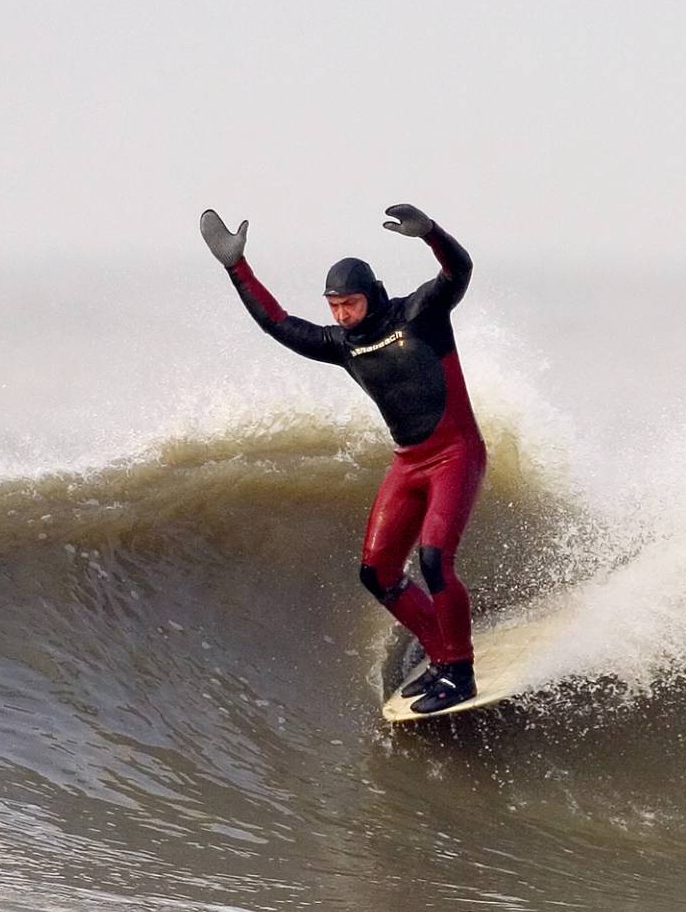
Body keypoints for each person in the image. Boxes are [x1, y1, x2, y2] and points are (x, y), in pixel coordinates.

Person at [200, 203, 485, 713]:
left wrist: (432, 234)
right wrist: (235, 267)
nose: (340, 314)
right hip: (409, 462)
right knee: (377, 573)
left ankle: (460, 673)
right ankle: (441, 659)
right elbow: (279, 323)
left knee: (435, 559)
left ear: (370, 294)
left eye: (348, 303)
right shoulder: (341, 345)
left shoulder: (419, 313)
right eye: (333, 306)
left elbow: (458, 271)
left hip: (455, 454)